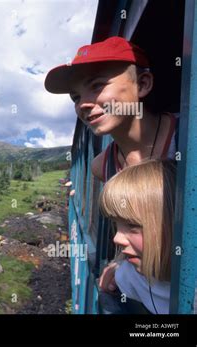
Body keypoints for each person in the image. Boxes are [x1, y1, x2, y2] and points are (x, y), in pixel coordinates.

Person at [45, 36, 178, 182]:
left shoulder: (187, 135)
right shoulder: (101, 167)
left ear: (142, 84)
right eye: (76, 97)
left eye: (97, 86)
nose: (83, 104)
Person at [98, 159, 175, 314]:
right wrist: (116, 266)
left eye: (133, 226)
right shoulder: (130, 275)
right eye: (116, 224)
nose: (117, 238)